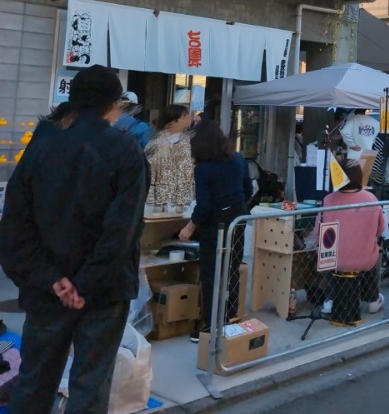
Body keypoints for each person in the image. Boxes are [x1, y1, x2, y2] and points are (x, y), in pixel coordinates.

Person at [0, 65, 148, 414]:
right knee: (89, 386)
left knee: (34, 381)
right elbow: (122, 230)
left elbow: (15, 224)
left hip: (46, 289)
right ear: (114, 104)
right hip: (103, 293)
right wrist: (84, 284)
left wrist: (50, 278)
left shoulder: (41, 144)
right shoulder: (126, 150)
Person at [178, 119, 251, 341]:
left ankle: (210, 326)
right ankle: (230, 319)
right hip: (238, 217)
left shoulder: (203, 169)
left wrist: (189, 227)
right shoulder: (238, 159)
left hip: (216, 223)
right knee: (232, 269)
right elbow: (248, 189)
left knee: (211, 274)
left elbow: (204, 206)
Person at [314, 162, 386, 317]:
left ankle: (330, 300)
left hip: (334, 260)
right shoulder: (371, 199)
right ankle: (373, 300)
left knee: (329, 254)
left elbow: (317, 232)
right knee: (374, 253)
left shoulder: (328, 200)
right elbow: (381, 228)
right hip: (365, 258)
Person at [144, 104, 194, 212]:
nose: (189, 119)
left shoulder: (186, 140)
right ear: (173, 120)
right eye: (184, 117)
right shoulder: (157, 141)